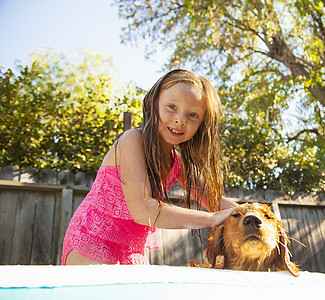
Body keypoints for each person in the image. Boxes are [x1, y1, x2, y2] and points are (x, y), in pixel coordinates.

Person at [62, 69, 238, 265]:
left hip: (130, 249)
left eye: (193, 115)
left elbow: (214, 200)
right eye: (171, 106)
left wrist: (258, 216)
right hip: (91, 240)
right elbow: (144, 210)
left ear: (201, 125)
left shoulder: (177, 162)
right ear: (153, 103)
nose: (180, 119)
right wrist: (212, 219)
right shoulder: (132, 140)